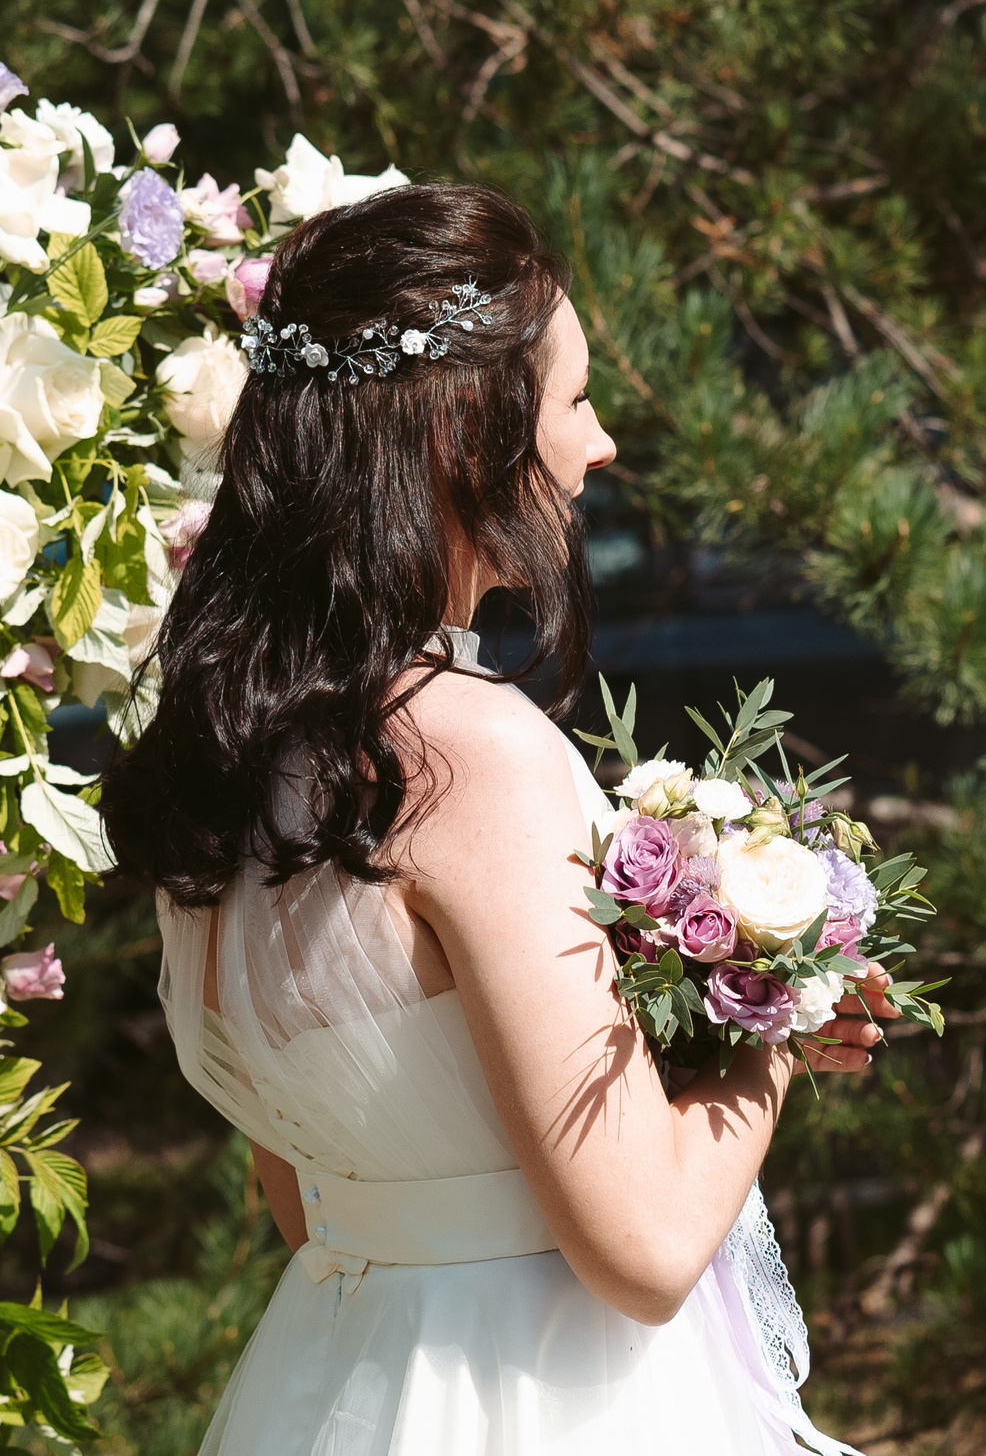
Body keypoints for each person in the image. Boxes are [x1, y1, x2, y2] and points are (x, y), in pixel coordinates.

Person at [101, 181, 885, 1456]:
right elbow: (644, 1250)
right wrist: (776, 1026)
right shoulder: (471, 755)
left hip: (337, 1373)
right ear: (471, 431)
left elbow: (297, 1188)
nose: (600, 444)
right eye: (573, 401)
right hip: (561, 1398)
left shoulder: (242, 748)